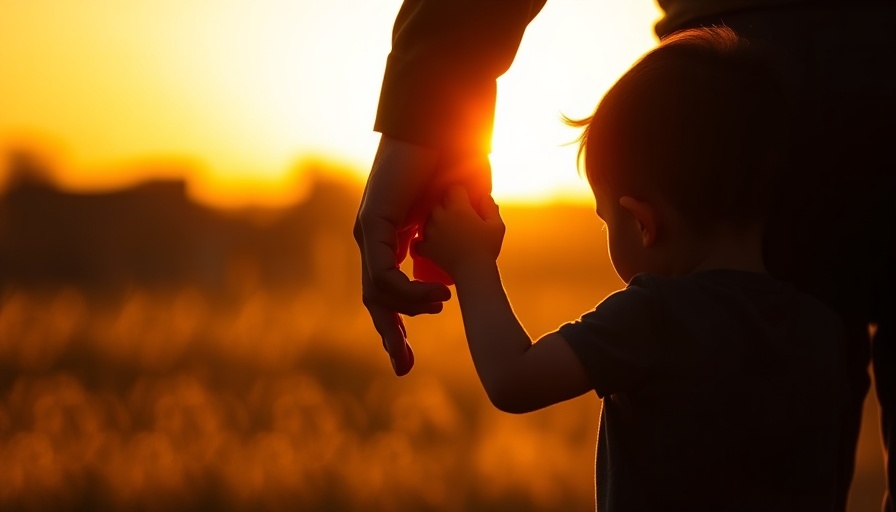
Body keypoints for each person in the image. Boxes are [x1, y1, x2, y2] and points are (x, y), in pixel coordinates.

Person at [353, 1, 895, 508]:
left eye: (606, 217)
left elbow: (514, 380)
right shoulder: (818, 328)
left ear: (643, 223)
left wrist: (473, 265)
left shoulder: (656, 317)